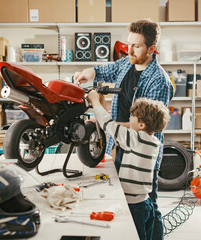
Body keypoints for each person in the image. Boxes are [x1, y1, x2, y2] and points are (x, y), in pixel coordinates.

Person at [74, 19, 174, 239]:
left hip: (141, 156)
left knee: (149, 207)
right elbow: (102, 70)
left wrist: (107, 124)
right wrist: (87, 73)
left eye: (136, 46)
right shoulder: (127, 63)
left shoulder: (159, 81)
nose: (129, 50)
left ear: (152, 49)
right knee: (129, 205)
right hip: (118, 146)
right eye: (128, 43)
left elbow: (144, 127)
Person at [87, 92, 170, 240]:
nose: (129, 118)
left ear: (141, 124)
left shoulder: (135, 139)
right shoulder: (152, 142)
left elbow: (108, 124)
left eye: (132, 116)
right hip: (145, 203)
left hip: (134, 206)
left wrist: (95, 101)